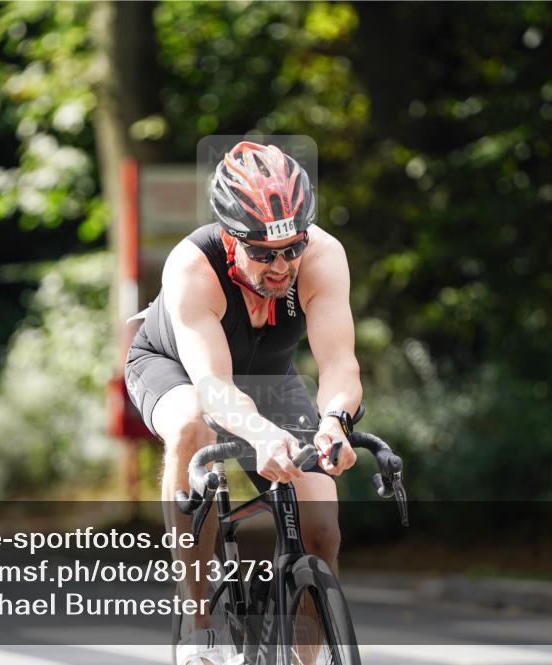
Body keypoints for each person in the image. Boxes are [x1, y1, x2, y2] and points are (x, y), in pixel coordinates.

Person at [124, 141, 361, 665]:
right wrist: (259, 434)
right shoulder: (193, 267)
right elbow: (212, 387)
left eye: (291, 248)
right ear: (231, 237)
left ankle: (303, 658)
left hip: (268, 379)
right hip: (177, 369)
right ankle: (198, 624)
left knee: (322, 529)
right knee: (193, 425)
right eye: (262, 252)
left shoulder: (323, 257)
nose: (281, 266)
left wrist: (334, 421)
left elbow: (339, 364)